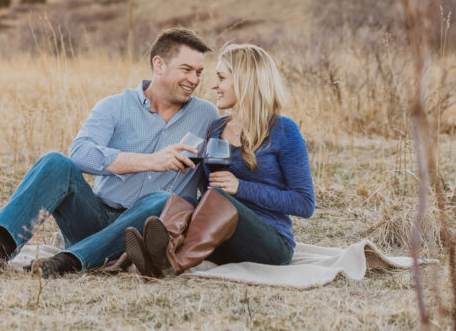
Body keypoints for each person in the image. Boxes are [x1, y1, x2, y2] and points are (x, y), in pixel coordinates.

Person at [0, 27, 220, 277]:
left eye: (199, 72)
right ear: (159, 65)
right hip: (95, 219)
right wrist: (151, 161)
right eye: (186, 70)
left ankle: (66, 262)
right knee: (55, 162)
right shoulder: (115, 106)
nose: (195, 80)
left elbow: (213, 175)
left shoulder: (207, 115)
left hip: (146, 231)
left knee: (164, 199)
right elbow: (80, 153)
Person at [124, 43, 314, 277]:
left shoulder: (284, 130)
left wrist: (240, 188)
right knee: (183, 199)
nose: (214, 85)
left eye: (221, 78)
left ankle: (172, 262)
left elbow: (305, 204)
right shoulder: (217, 128)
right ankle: (162, 251)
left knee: (219, 198)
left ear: (244, 82)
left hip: (271, 245)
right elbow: (208, 194)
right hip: (221, 241)